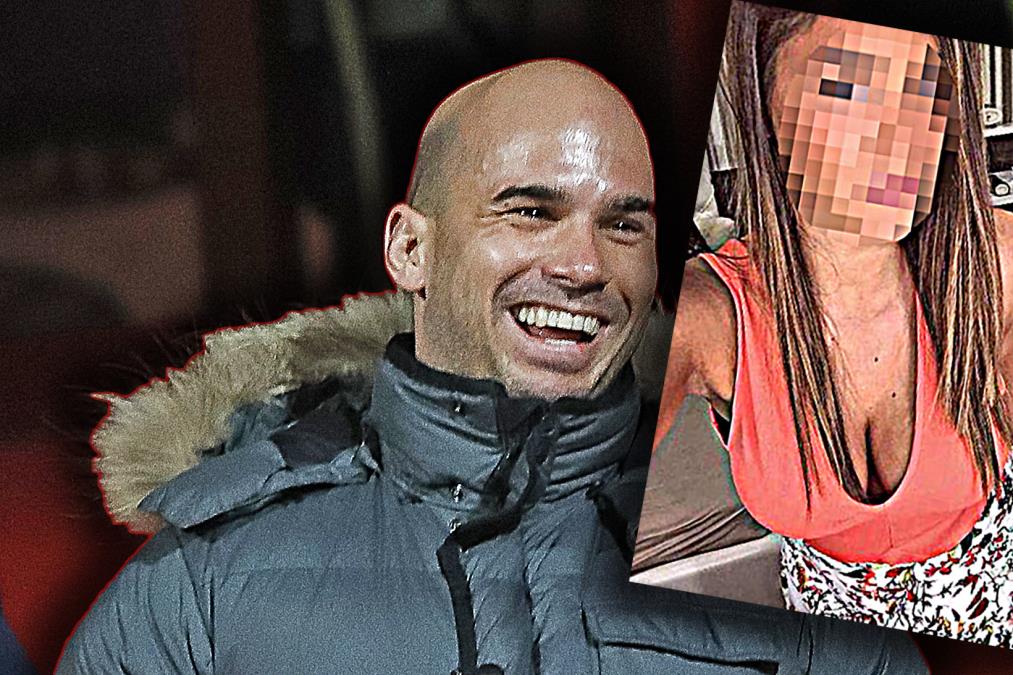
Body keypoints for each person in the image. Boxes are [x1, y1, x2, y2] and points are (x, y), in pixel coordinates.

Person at [59, 59, 925, 673]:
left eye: (623, 224)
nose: (583, 264)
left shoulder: (787, 540)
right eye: (530, 211)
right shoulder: (210, 575)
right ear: (410, 249)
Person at [658, 1, 1013, 647]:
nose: (897, 139)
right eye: (847, 88)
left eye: (922, 88)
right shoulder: (706, 315)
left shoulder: (996, 264)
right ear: (763, 100)